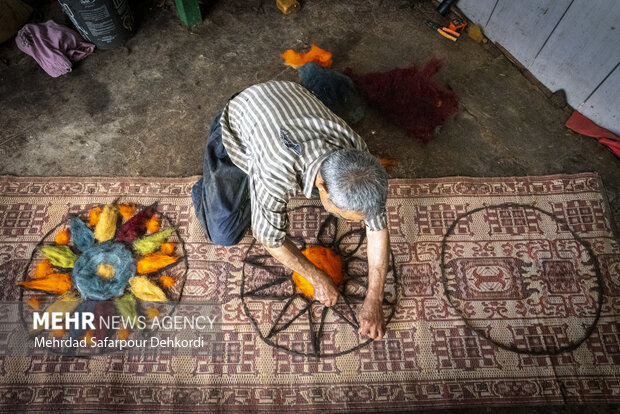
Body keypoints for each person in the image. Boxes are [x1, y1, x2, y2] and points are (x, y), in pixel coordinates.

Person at [192, 80, 389, 340]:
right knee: (224, 233)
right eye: (343, 215)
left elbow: (377, 227)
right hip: (239, 118)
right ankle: (208, 183)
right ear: (323, 188)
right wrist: (317, 278)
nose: (351, 223)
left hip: (286, 99)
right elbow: (271, 240)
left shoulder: (360, 160)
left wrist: (374, 298)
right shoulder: (277, 173)